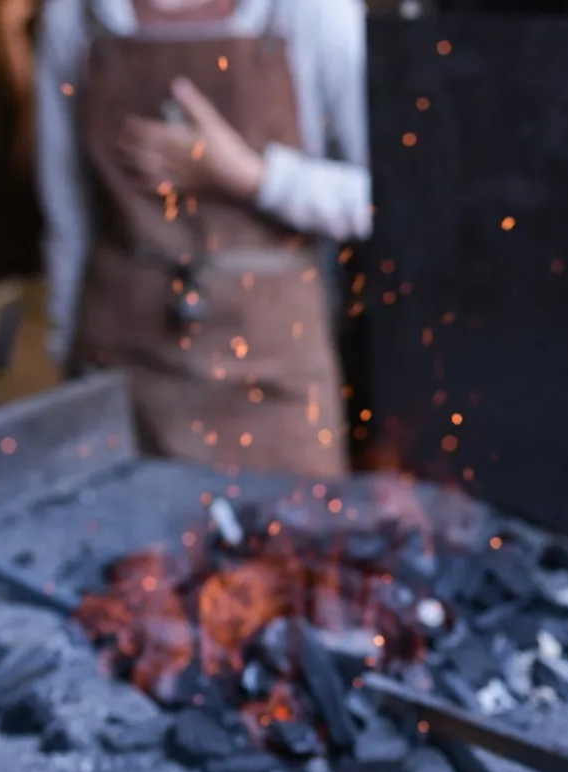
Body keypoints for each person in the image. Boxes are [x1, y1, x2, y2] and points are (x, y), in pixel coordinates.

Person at [36, 0, 368, 477]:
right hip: (126, 367)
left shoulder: (312, 12)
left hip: (277, 375)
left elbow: (384, 201)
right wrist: (65, 358)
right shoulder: (74, 15)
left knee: (293, 545)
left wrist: (253, 178)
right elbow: (66, 213)